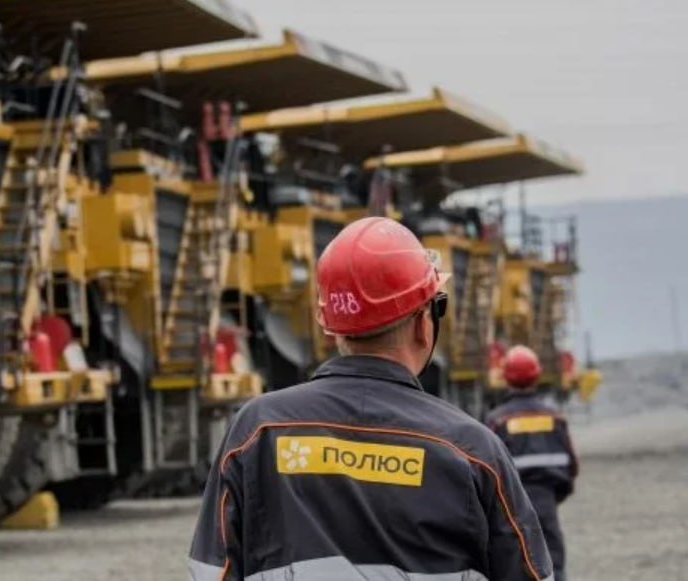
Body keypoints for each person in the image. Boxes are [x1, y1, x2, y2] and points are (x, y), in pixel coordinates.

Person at [189, 217, 553, 580]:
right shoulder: (473, 451)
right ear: (423, 322)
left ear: (331, 326)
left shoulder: (256, 432)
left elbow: (211, 572)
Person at [486, 346, 579, 581]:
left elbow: (485, 468)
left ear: (506, 377)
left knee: (512, 562)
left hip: (509, 505)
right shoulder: (555, 417)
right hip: (547, 499)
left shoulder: (498, 420)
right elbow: (571, 465)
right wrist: (552, 495)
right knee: (553, 562)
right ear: (537, 375)